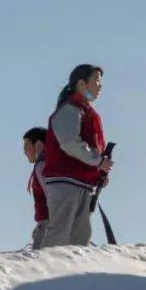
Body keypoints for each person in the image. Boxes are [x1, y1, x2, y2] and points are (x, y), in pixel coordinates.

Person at [42, 64, 113, 247]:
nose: (100, 86)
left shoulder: (87, 112)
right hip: (65, 182)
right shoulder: (70, 110)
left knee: (80, 239)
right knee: (60, 235)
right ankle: (46, 272)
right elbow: (70, 143)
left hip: (84, 184)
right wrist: (98, 162)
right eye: (96, 81)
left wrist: (99, 174)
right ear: (82, 84)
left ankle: (70, 275)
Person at [23, 127, 49, 249]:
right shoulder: (47, 164)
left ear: (38, 144)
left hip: (49, 227)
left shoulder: (41, 166)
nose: (24, 151)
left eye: (27, 146)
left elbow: (53, 197)